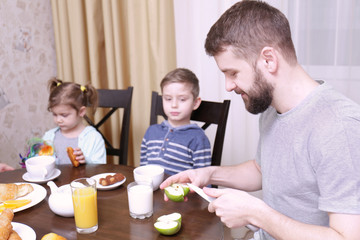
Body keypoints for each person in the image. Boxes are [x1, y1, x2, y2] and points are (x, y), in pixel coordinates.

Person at [160, 1, 360, 240]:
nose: (228, 86)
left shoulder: (338, 126)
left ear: (268, 59)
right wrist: (207, 174)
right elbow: (263, 171)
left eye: (233, 73)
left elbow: (346, 237)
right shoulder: (270, 108)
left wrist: (257, 214)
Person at [140, 68, 212, 175]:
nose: (174, 105)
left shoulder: (199, 139)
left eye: (182, 99)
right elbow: (142, 171)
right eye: (168, 99)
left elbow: (203, 180)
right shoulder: (151, 132)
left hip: (181, 191)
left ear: (195, 103)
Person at [42, 78, 106, 165]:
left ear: (81, 112)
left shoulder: (94, 139)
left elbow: (100, 168)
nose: (58, 120)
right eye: (55, 114)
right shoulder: (48, 137)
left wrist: (85, 161)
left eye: (64, 115)